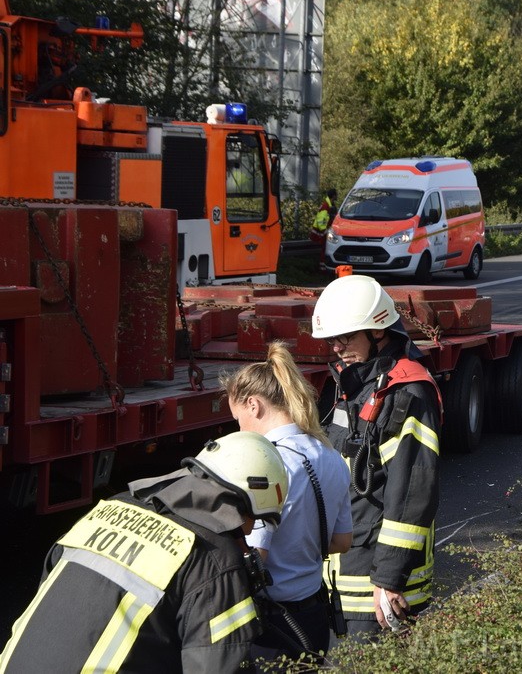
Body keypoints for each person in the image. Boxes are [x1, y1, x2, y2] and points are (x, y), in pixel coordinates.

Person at [0, 432, 289, 673]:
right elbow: (218, 665)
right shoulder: (215, 560)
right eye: (257, 518)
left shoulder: (110, 507)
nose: (250, 531)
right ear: (249, 499)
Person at [310, 275, 441, 641]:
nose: (337, 348)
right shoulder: (352, 385)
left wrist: (388, 578)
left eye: (346, 338)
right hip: (345, 575)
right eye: (332, 340)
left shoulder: (407, 393)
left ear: (379, 332)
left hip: (380, 588)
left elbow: (412, 492)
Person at [223, 342, 353, 659]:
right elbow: (342, 540)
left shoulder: (266, 465)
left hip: (272, 626)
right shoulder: (330, 455)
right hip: (313, 617)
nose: (239, 428)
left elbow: (257, 557)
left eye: (238, 419)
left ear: (253, 405)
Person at [311, 189, 338, 270]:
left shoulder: (330, 205)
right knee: (323, 249)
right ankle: (322, 268)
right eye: (336, 195)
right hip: (320, 232)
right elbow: (321, 220)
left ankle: (323, 267)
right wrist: (324, 230)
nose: (337, 196)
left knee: (324, 249)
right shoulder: (326, 206)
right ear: (333, 196)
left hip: (323, 231)